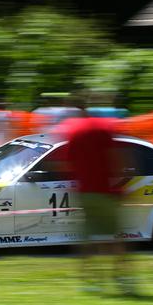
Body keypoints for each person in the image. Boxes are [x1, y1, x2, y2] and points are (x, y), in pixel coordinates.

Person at [58, 112, 135, 295]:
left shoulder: (72, 129)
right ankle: (122, 278)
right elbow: (115, 158)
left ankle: (91, 281)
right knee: (116, 238)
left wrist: (75, 183)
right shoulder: (104, 127)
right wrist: (119, 185)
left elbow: (65, 163)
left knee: (87, 240)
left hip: (85, 194)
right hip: (105, 193)